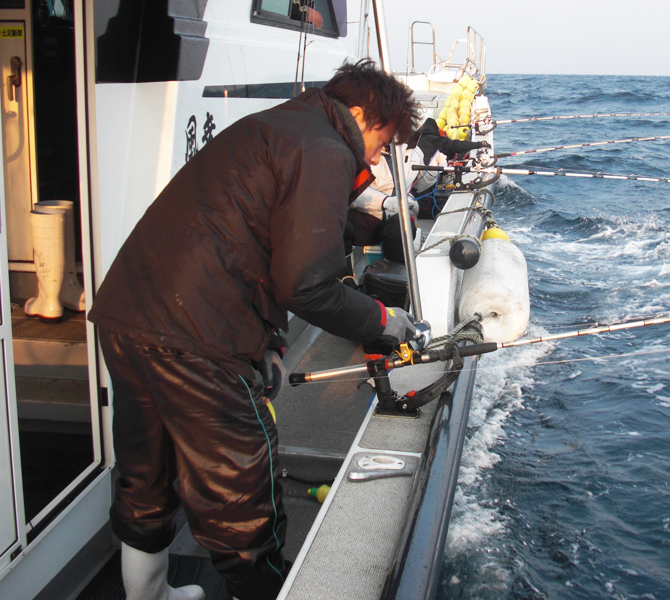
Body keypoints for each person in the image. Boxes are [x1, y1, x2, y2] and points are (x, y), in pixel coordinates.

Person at [87, 59, 420, 600]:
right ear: (360, 114)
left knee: (144, 476)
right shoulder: (325, 149)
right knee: (242, 495)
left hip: (128, 317)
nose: (381, 156)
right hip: (195, 340)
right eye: (384, 141)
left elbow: (251, 244)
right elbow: (305, 285)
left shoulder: (278, 125)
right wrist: (385, 319)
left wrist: (267, 342)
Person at [343, 118, 489, 263]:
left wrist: (432, 171)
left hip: (397, 217)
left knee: (399, 227)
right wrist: (386, 202)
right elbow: (354, 193)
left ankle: (394, 270)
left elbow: (418, 186)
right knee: (340, 224)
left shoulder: (415, 151)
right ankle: (345, 274)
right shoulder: (363, 150)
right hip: (367, 215)